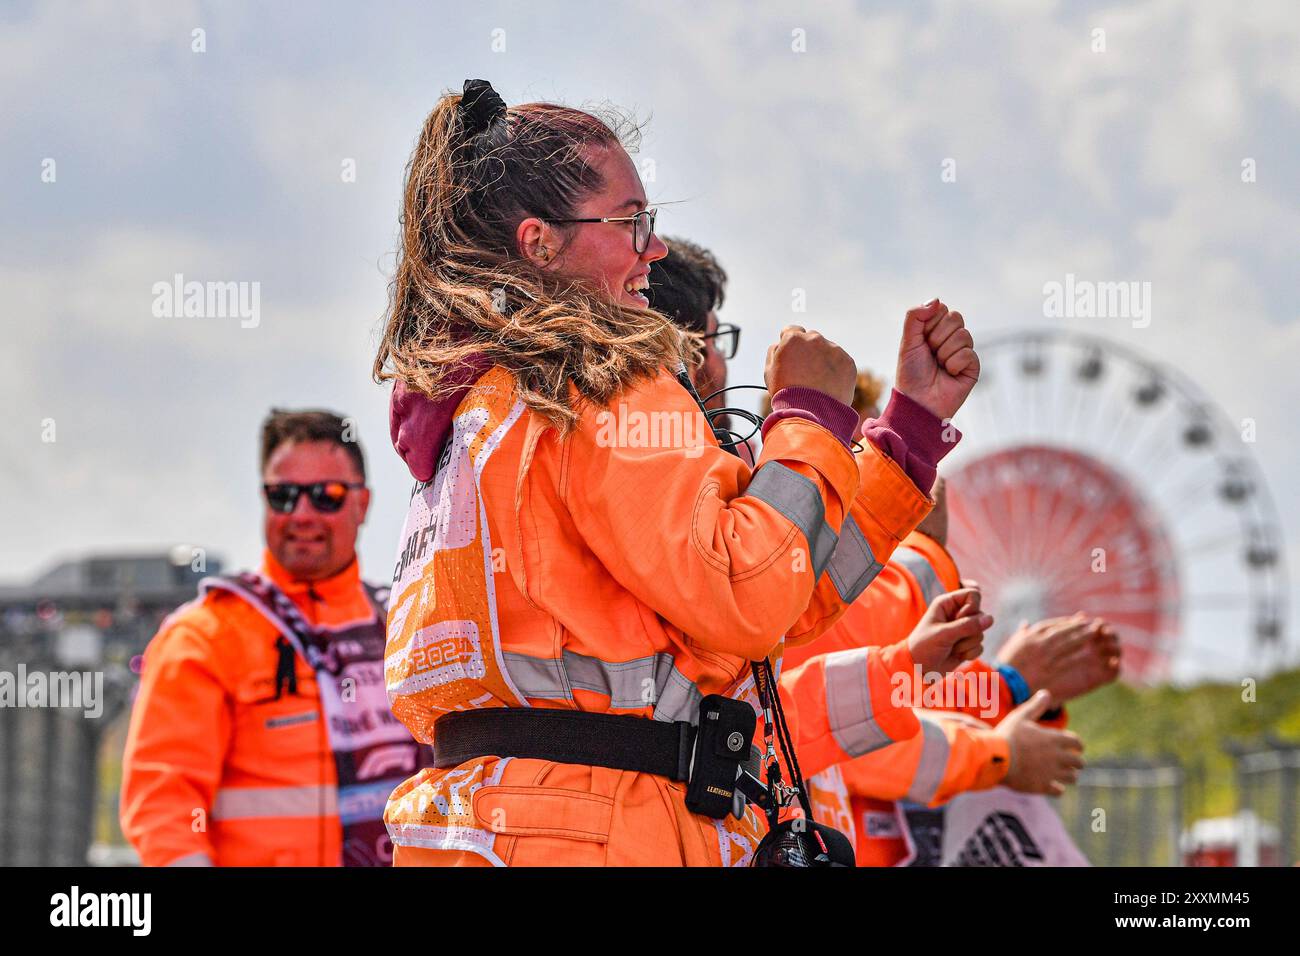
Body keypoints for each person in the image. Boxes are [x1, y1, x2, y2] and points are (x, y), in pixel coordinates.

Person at [376, 79, 984, 866]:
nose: (653, 250)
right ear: (539, 244)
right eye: (632, 223)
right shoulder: (595, 378)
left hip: (484, 830)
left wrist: (906, 434)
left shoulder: (474, 420)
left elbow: (769, 593)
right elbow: (749, 594)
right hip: (601, 833)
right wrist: (807, 413)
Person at [120, 410, 432, 866]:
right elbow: (163, 807)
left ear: (363, 505)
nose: (302, 514)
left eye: (327, 496)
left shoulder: (408, 626)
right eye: (283, 496)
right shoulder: (202, 638)